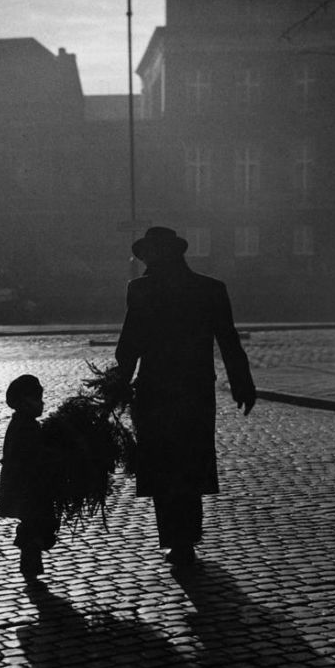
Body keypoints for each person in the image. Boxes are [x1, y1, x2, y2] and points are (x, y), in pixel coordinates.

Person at [114, 226, 256, 567]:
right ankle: (187, 538)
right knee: (190, 464)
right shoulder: (210, 289)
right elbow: (229, 341)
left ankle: (175, 538)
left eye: (148, 254)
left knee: (163, 466)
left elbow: (129, 344)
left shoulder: (141, 290)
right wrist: (242, 384)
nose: (145, 260)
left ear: (157, 254)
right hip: (195, 390)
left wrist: (117, 385)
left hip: (155, 391)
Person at [0, 374, 59, 583]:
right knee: (37, 523)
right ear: (24, 401)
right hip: (29, 487)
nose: (41, 404)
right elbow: (32, 458)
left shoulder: (23, 424)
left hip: (25, 486)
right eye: (37, 399)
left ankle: (30, 564)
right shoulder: (26, 427)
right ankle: (29, 563)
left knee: (34, 522)